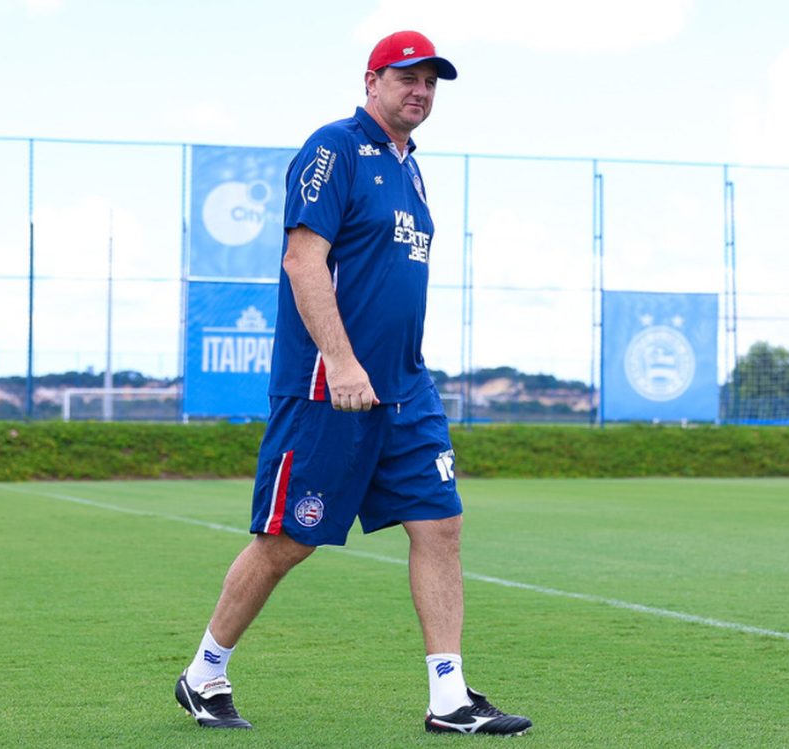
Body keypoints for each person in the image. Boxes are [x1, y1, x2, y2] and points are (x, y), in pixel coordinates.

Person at [175, 30, 532, 737]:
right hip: (325, 387)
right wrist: (340, 358)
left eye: (431, 82)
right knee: (288, 540)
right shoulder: (333, 148)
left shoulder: (415, 171)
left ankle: (448, 697)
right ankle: (204, 673)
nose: (420, 91)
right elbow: (303, 260)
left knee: (441, 524)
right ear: (372, 81)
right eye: (407, 78)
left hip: (406, 389)